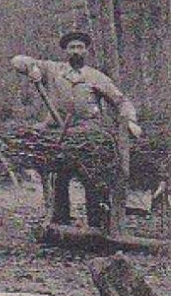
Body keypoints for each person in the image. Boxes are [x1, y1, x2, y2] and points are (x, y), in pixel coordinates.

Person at [12, 29, 141, 230]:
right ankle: (59, 224)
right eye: (72, 47)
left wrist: (131, 120)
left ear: (86, 51)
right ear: (65, 51)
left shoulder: (96, 77)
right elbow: (17, 60)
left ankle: (97, 226)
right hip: (59, 134)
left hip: (88, 134)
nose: (76, 51)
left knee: (92, 179)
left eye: (80, 47)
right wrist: (31, 68)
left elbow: (120, 100)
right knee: (59, 178)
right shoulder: (53, 70)